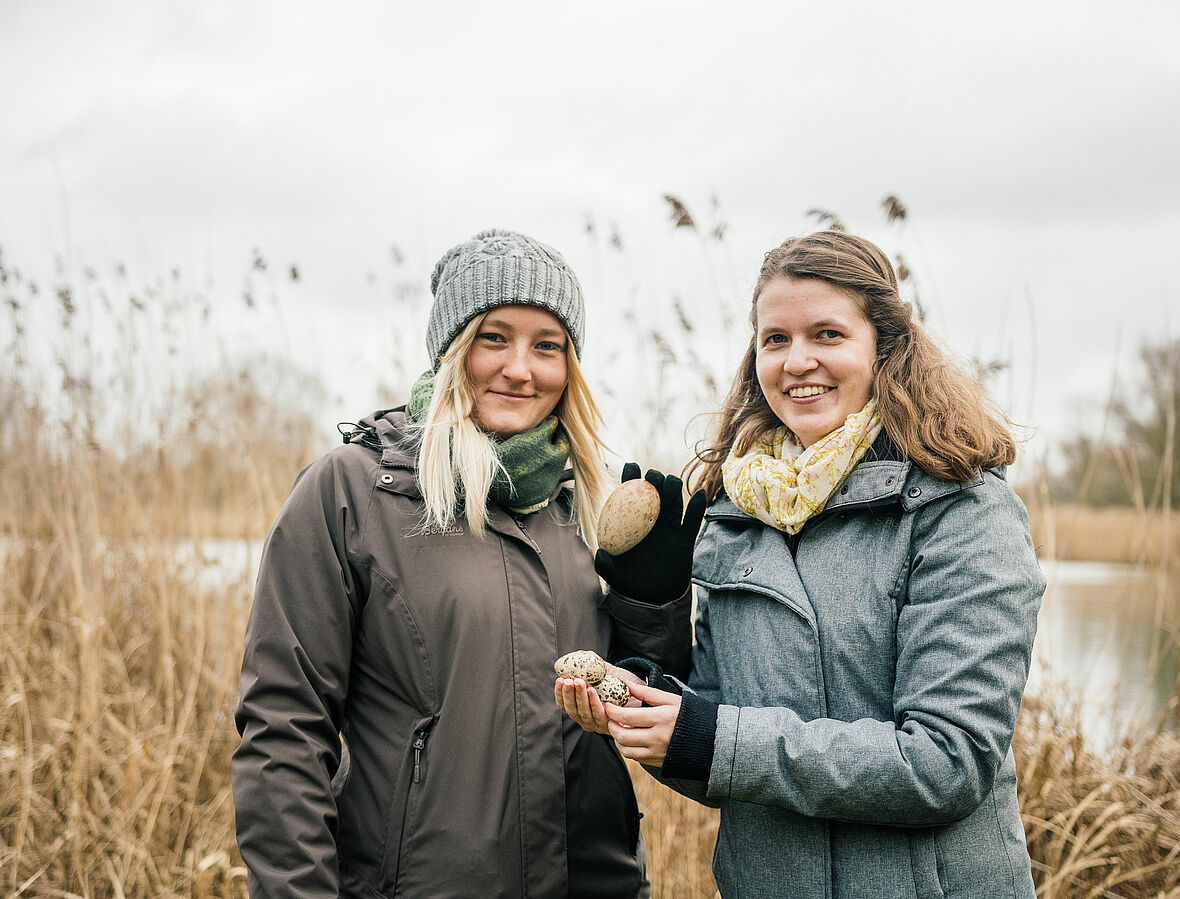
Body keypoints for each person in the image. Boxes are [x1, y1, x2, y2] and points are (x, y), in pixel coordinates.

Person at [558, 230, 1046, 899]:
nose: (797, 361)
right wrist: (654, 625)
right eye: (776, 339)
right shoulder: (735, 516)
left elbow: (946, 762)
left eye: (827, 334)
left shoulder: (960, 509)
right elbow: (722, 754)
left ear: (885, 344)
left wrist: (712, 737)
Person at [232, 228, 697, 898]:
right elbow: (282, 732)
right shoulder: (352, 493)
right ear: (453, 349)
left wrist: (653, 610)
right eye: (494, 337)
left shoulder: (583, 506)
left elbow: (635, 708)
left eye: (548, 346)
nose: (520, 368)